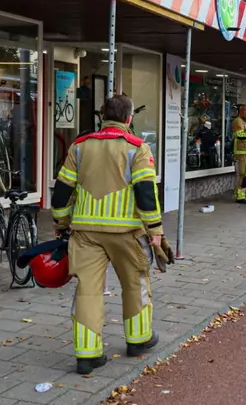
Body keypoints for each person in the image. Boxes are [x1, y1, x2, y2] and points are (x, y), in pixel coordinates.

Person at [51, 95, 174, 375]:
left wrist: (60, 221)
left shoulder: (79, 146)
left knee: (87, 290)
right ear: (129, 119)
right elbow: (145, 193)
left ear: (102, 117)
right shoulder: (137, 148)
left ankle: (87, 355)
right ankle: (139, 339)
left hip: (85, 233)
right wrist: (155, 232)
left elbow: (62, 189)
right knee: (135, 284)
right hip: (127, 233)